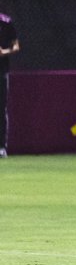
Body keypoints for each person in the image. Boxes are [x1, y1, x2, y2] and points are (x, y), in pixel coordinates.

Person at [0, 8, 19, 158]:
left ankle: (1, 147)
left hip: (2, 71)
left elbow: (16, 46)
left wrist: (4, 52)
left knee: (1, 108)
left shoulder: (6, 22)